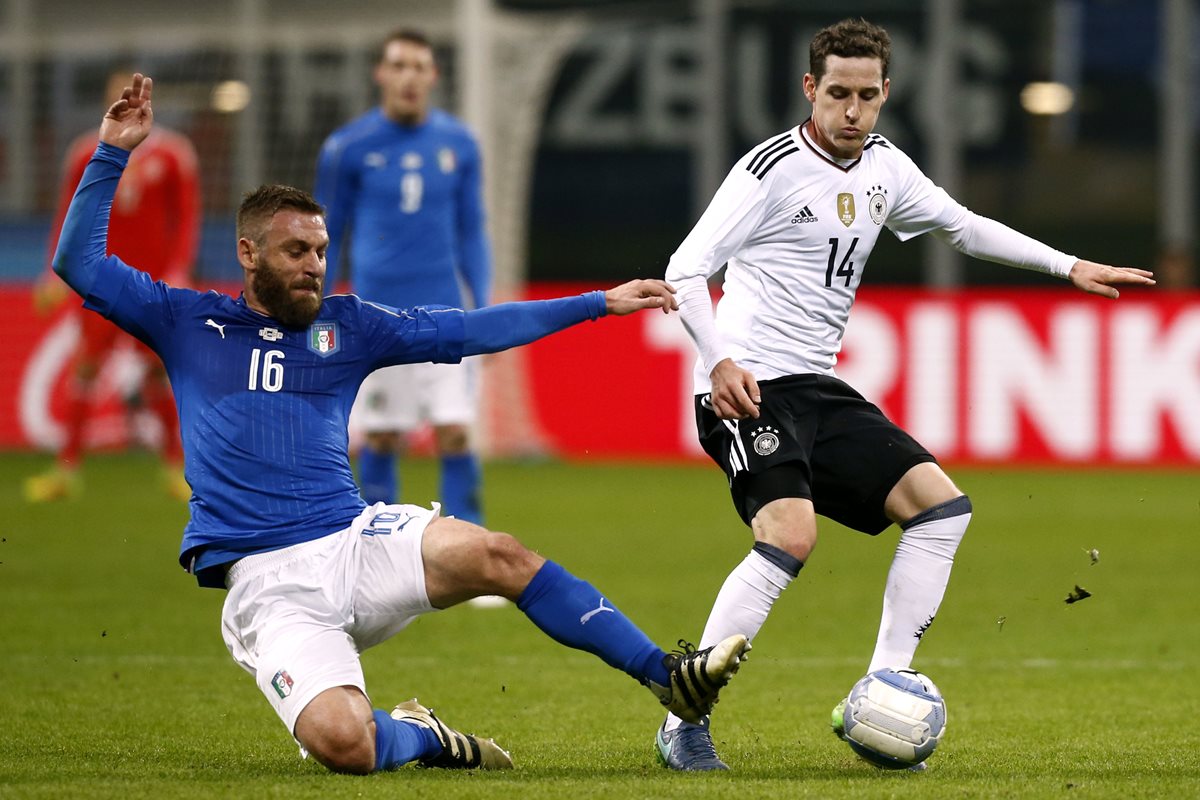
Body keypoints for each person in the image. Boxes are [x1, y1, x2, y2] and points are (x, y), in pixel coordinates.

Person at [56, 73, 751, 775]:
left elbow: (470, 330)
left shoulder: (349, 325)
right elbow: (78, 263)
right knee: (346, 746)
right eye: (296, 252)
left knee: (499, 553)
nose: (314, 267)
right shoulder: (184, 320)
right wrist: (112, 152)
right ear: (248, 253)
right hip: (270, 584)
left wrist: (596, 302)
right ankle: (425, 735)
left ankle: (667, 675)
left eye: (321, 252)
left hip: (354, 540)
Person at [656, 18, 1155, 772]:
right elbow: (685, 269)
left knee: (941, 508)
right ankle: (683, 721)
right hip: (748, 385)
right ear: (809, 89)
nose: (852, 111)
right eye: (837, 94)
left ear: (886, 92)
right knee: (790, 535)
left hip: (816, 386)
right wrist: (719, 361)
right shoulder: (769, 170)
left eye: (866, 96)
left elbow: (963, 227)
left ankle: (883, 686)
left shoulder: (887, 167)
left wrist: (1068, 266)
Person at [315, 28, 490, 530]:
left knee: (455, 431)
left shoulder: (459, 143)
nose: (409, 77)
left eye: (419, 67)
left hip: (446, 314)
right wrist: (318, 309)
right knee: (382, 437)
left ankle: (467, 544)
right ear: (380, 74)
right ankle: (373, 544)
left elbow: (472, 231)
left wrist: (482, 304)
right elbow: (327, 233)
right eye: (398, 65)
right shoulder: (347, 147)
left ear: (433, 76)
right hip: (376, 317)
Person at [25, 67, 200, 503]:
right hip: (98, 279)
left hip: (150, 283)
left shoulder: (174, 153)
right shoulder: (86, 151)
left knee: (157, 371)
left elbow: (186, 218)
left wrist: (179, 268)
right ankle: (66, 470)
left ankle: (175, 468)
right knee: (86, 367)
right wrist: (52, 271)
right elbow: (69, 213)